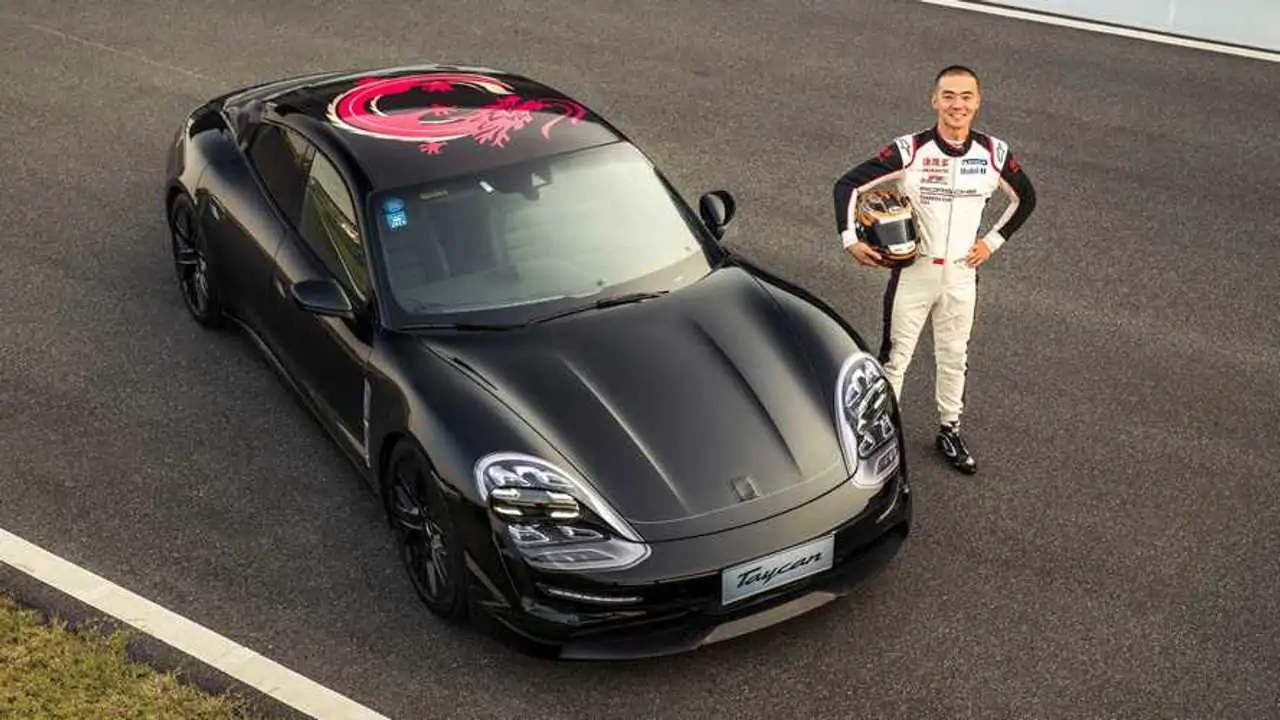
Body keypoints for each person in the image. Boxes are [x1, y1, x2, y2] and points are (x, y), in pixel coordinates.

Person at [832, 65, 1036, 474]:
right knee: (896, 358)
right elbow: (847, 186)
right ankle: (878, 437)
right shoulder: (910, 150)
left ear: (977, 102)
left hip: (962, 274)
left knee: (954, 355)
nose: (957, 104)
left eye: (966, 96)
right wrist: (850, 239)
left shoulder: (994, 153)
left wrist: (992, 242)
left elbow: (1025, 198)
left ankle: (950, 429)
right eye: (949, 96)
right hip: (915, 272)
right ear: (934, 100)